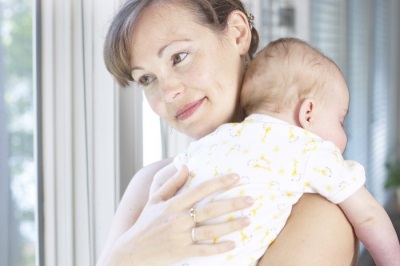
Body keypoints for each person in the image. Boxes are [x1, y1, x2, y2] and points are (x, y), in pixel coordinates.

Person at [98, 1, 359, 265]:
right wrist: (128, 256)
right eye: (146, 78)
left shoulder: (317, 212)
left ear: (238, 33)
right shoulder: (149, 185)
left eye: (179, 57)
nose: (167, 92)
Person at [155, 37, 400, 265]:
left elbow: (162, 183)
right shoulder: (309, 150)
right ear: (308, 113)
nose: (345, 135)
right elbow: (368, 216)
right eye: (340, 120)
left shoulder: (215, 140)